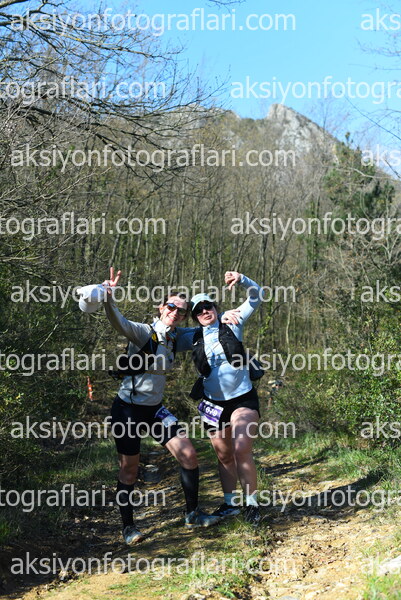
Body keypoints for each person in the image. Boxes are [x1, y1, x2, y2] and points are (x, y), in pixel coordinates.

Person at [78, 267, 231, 545]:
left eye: (181, 310)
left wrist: (227, 317)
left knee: (189, 454)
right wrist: (108, 297)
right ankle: (128, 527)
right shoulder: (143, 332)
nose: (176, 312)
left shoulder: (176, 337)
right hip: (128, 410)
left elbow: (207, 328)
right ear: (161, 307)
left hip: (155, 410)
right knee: (129, 470)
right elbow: (119, 322)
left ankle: (192, 514)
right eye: (171, 306)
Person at [190, 271, 264, 525]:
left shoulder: (232, 321)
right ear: (194, 316)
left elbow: (257, 296)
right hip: (213, 404)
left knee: (241, 448)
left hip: (242, 399)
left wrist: (242, 279)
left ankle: (252, 504)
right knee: (223, 455)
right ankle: (230, 504)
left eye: (208, 306)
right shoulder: (192, 336)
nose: (204, 311)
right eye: (198, 310)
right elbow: (163, 333)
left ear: (215, 307)